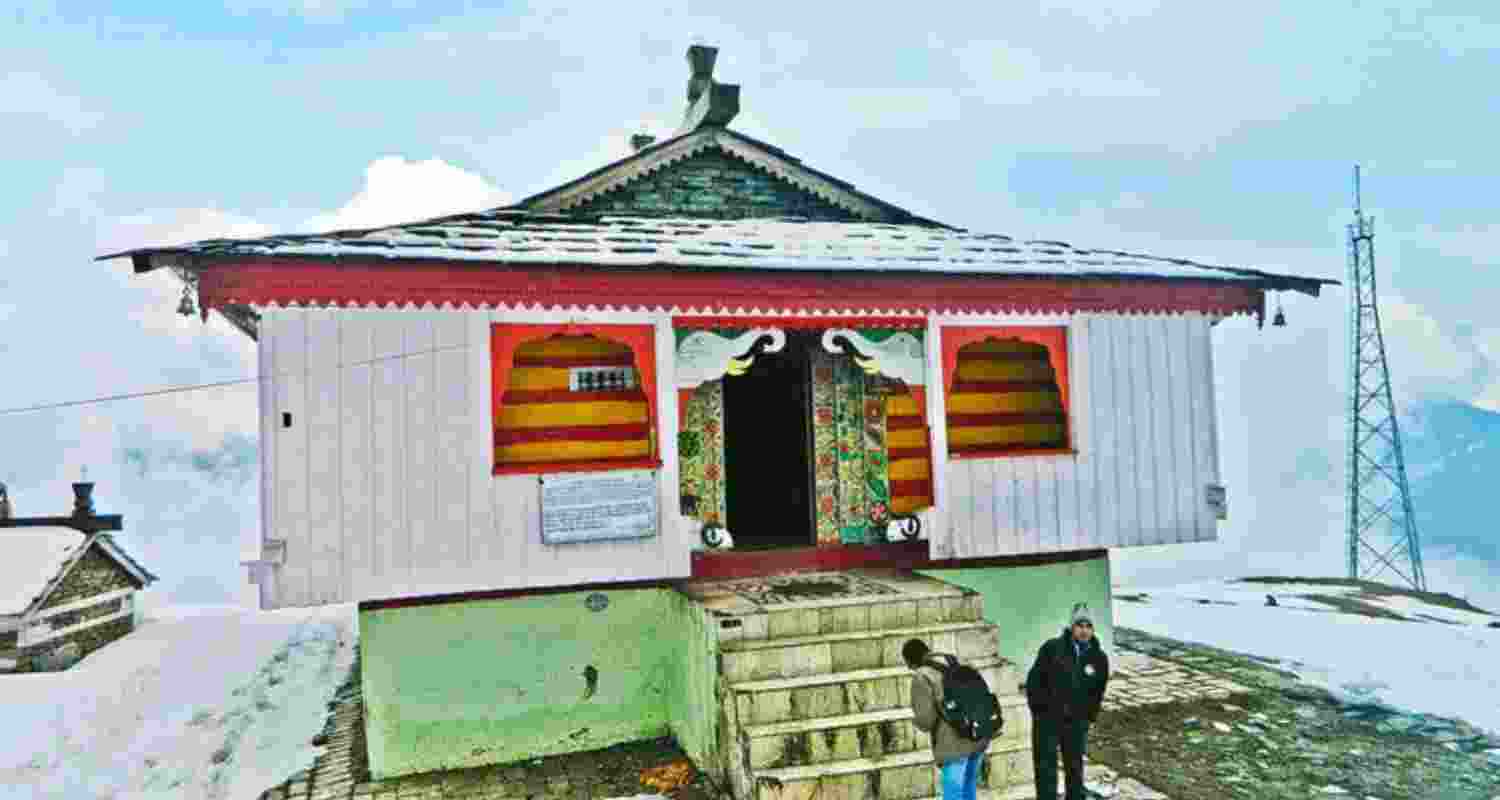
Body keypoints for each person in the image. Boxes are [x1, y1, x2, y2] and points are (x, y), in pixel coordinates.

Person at [1025, 603, 1110, 800]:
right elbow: (1033, 682)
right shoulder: (1052, 648)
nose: (1084, 630)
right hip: (1047, 719)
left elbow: (1098, 692)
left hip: (1076, 722)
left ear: (1093, 629)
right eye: (1080, 625)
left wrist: (1088, 718)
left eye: (1088, 626)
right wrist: (1039, 711)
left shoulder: (1098, 658)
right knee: (1046, 767)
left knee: (1074, 767)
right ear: (1072, 627)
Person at [904, 638, 988, 800]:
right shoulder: (955, 661)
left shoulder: (921, 676)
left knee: (953, 794)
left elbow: (926, 720)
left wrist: (916, 721)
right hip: (976, 735)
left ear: (909, 662)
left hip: (952, 745)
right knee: (968, 788)